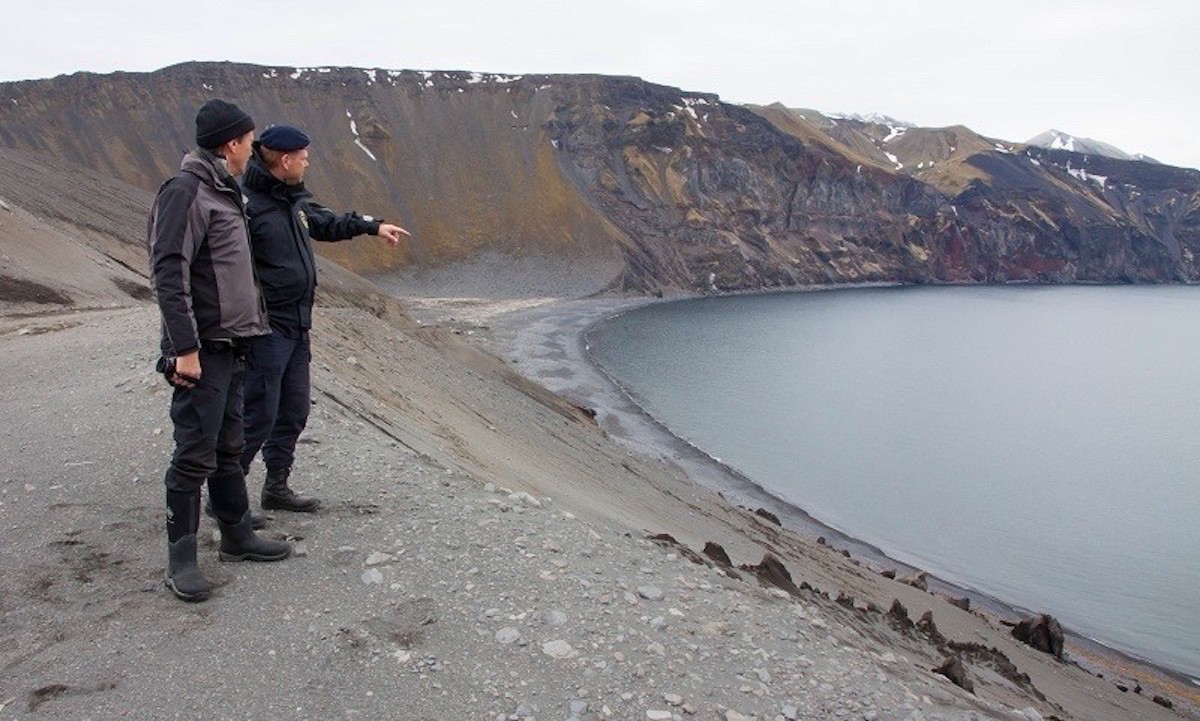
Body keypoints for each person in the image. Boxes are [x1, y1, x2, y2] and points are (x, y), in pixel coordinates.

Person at [148, 99, 292, 602]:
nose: (253, 149)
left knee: (229, 443)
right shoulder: (186, 191)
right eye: (250, 141)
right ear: (232, 143)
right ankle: (181, 562)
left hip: (233, 345)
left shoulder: (227, 192)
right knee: (194, 451)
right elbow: (168, 271)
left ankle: (236, 536)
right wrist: (183, 348)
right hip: (202, 349)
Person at [237, 124, 408, 512]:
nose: (307, 163)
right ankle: (228, 498)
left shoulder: (291, 201)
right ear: (285, 160)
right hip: (265, 328)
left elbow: (326, 223)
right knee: (257, 412)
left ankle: (276, 487)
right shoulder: (247, 207)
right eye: (304, 157)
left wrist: (372, 225)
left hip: (298, 326)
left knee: (293, 409)